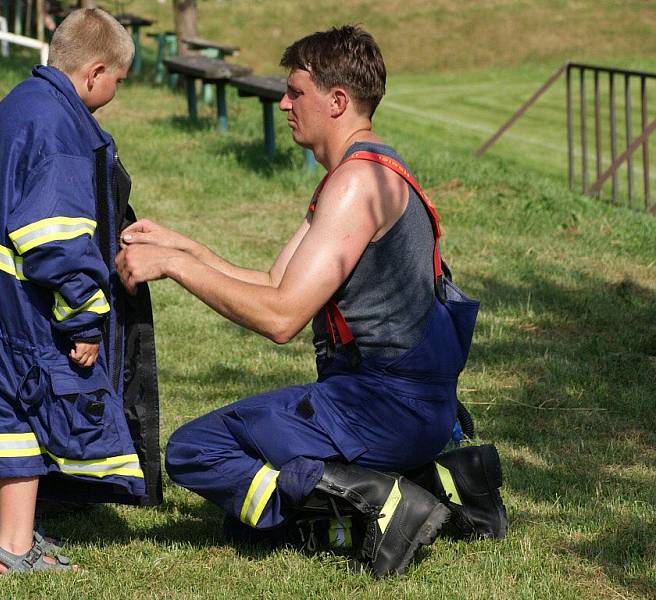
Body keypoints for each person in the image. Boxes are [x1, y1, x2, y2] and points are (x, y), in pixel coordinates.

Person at [116, 26, 505, 577]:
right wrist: (181, 247)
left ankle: (376, 503)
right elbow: (276, 280)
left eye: (296, 92)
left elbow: (281, 317)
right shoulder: (367, 173)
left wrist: (175, 268)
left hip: (381, 410)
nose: (284, 103)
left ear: (338, 101)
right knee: (245, 496)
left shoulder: (353, 187)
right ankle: (447, 481)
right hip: (419, 410)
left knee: (194, 451)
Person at [0, 8, 162, 575]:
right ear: (96, 73)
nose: (115, 93)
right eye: (118, 82)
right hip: (3, 301)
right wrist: (85, 319)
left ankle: (19, 536)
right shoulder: (62, 132)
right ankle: (14, 551)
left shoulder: (19, 103)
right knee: (19, 408)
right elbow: (56, 241)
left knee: (0, 406)